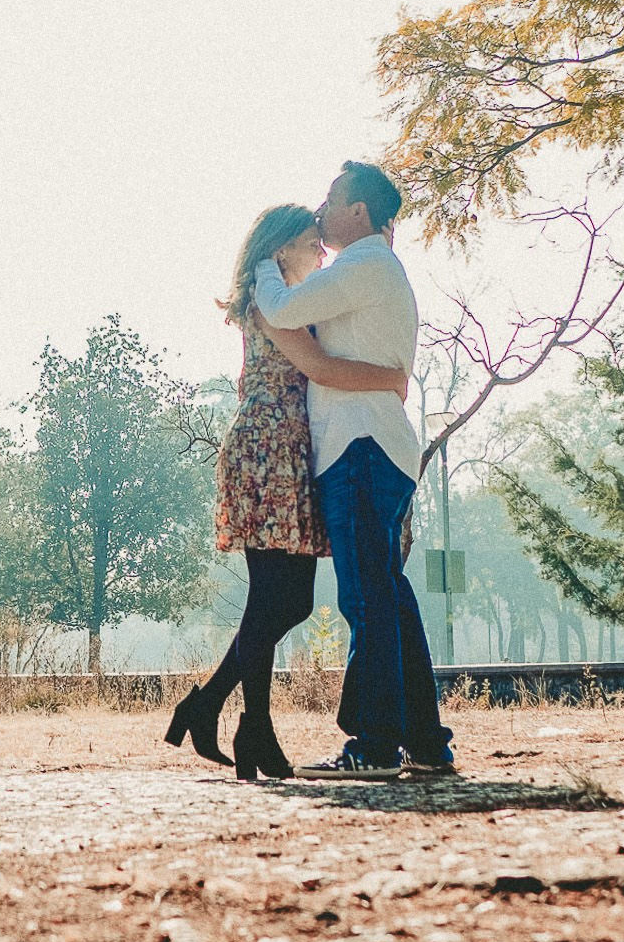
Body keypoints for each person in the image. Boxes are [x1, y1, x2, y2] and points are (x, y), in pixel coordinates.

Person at [165, 203, 410, 781]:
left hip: (287, 451)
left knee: (288, 601)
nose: (319, 251)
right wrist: (389, 378)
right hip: (267, 450)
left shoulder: (289, 300)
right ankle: (254, 730)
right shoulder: (269, 303)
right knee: (274, 599)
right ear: (280, 251)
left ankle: (211, 708)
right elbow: (317, 366)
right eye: (308, 242)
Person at [251, 162, 454, 780]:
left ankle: (374, 743)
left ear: (358, 212)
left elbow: (281, 308)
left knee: (367, 597)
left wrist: (262, 259)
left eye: (332, 199)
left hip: (359, 447)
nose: (322, 208)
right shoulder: (375, 269)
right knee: (387, 595)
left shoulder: (362, 266)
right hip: (374, 448)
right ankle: (423, 739)